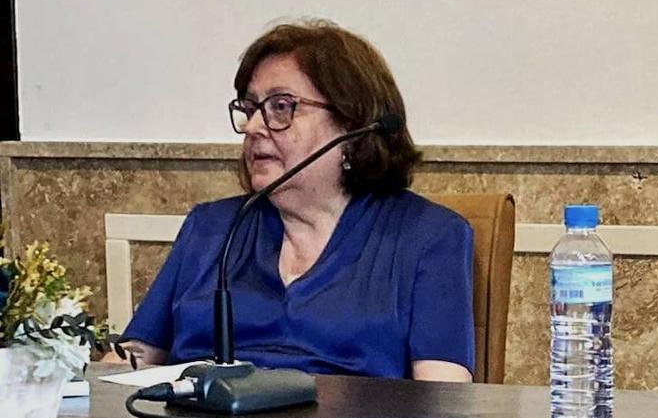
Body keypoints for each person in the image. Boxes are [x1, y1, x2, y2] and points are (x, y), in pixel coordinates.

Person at [117, 20, 474, 381]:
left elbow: (442, 396)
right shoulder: (211, 228)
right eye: (250, 108)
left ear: (352, 125)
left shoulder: (429, 236)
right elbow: (132, 358)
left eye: (281, 107)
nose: (254, 127)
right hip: (200, 416)